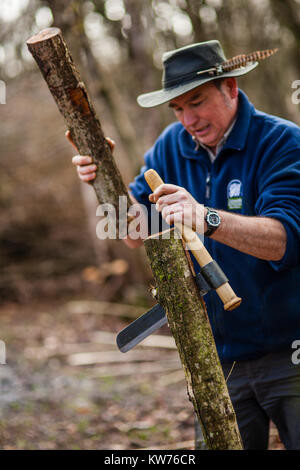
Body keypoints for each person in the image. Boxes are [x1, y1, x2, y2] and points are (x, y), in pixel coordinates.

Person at [68, 40, 300, 450]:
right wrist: (102, 178)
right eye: (177, 108)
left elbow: (284, 240)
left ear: (230, 88)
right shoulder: (169, 147)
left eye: (196, 102)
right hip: (217, 359)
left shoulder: (282, 142)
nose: (188, 119)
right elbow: (133, 230)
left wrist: (205, 217)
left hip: (290, 352)